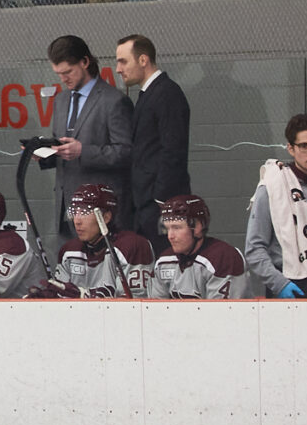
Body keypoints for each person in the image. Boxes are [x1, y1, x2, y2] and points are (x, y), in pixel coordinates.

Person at [246, 113, 307, 297]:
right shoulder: (273, 186)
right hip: (290, 284)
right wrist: (279, 284)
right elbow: (254, 249)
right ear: (290, 148)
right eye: (304, 146)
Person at [43, 34, 132, 233]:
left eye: (68, 72)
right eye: (58, 73)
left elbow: (126, 152)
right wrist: (43, 154)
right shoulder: (61, 100)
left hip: (101, 209)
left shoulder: (114, 101)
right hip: (66, 206)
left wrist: (83, 151)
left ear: (84, 62)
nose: (63, 78)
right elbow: (62, 148)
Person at [116, 33, 190, 239]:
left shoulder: (167, 94)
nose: (118, 69)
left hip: (159, 208)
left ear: (143, 60)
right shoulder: (149, 95)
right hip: (145, 206)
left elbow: (173, 150)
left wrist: (160, 200)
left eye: (123, 61)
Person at [30, 183, 154, 298]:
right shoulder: (69, 251)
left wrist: (85, 297)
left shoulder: (133, 246)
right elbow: (62, 296)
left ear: (106, 217)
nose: (77, 221)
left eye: (84, 212)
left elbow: (134, 306)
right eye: (74, 212)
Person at [146, 195, 245, 298]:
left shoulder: (223, 258)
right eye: (167, 228)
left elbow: (224, 312)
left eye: (177, 228)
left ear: (198, 227)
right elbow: (155, 311)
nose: (170, 236)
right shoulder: (164, 262)